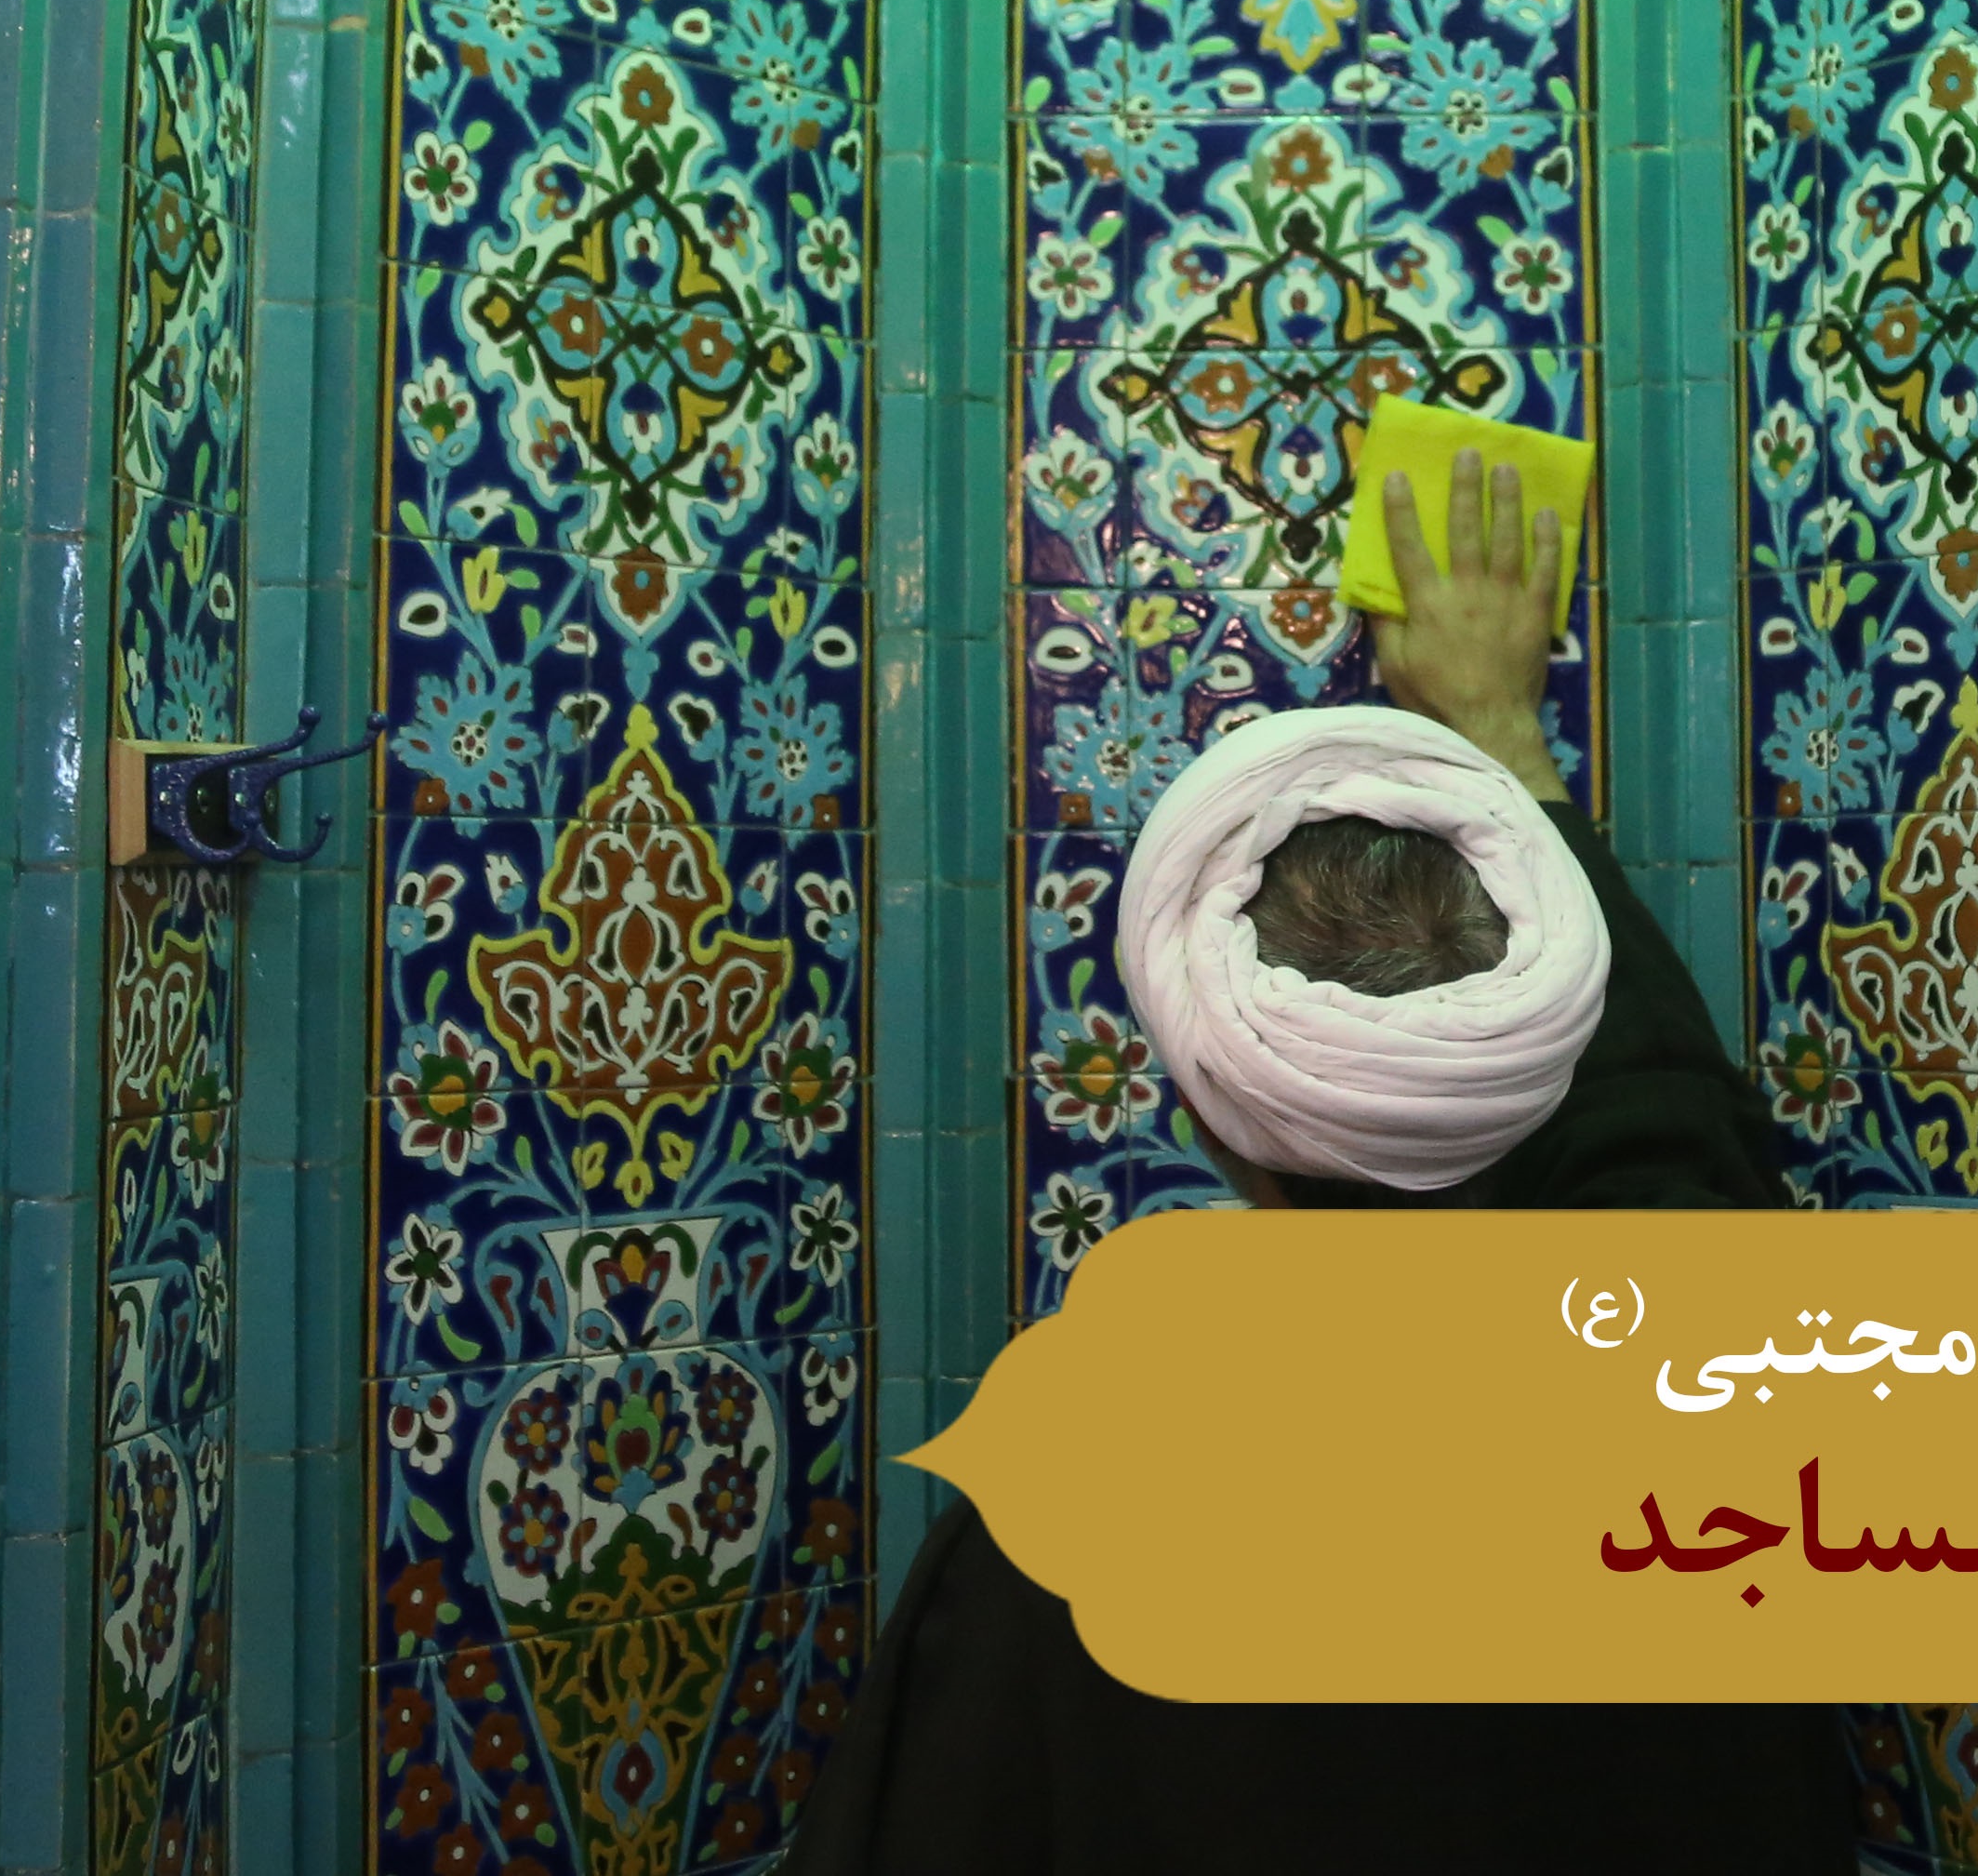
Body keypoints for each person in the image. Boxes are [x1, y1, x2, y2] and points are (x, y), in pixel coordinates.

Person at [781, 452, 1856, 1874]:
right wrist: (1501, 739)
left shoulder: (1068, 1549)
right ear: (1533, 1052)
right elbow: (1667, 1143)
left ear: (1213, 1114)